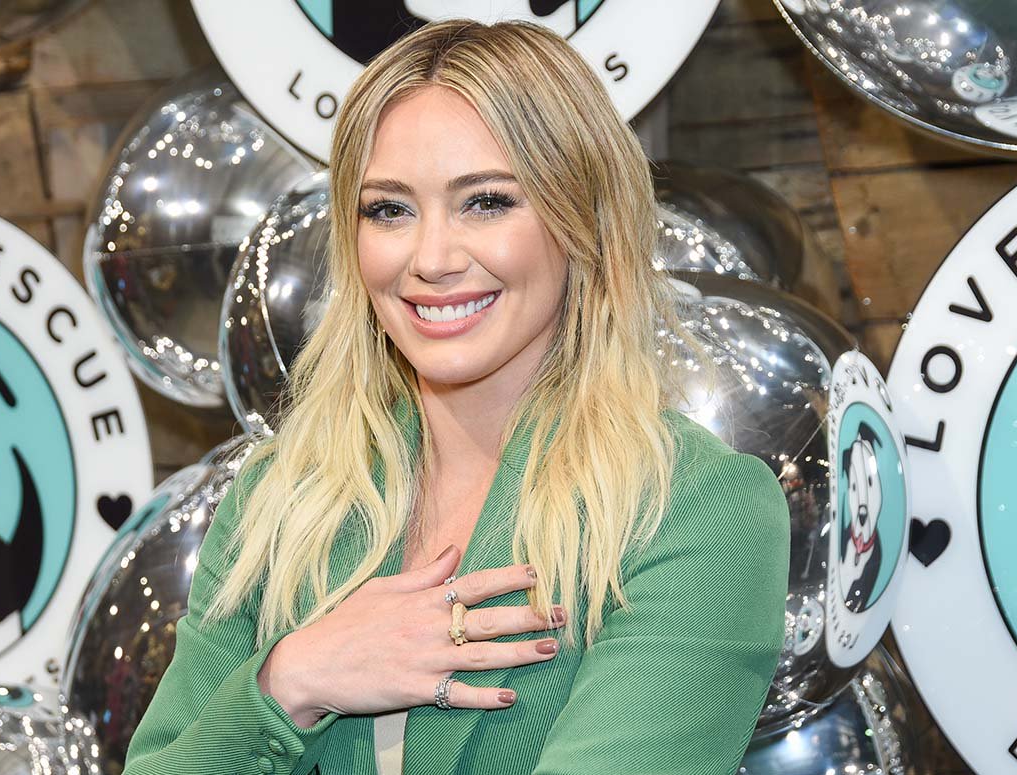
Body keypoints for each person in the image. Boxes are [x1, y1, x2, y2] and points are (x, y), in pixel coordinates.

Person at [122, 18, 789, 775]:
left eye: (487, 202)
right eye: (390, 209)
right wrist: (292, 680)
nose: (432, 259)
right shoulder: (280, 498)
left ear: (584, 220)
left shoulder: (692, 507)